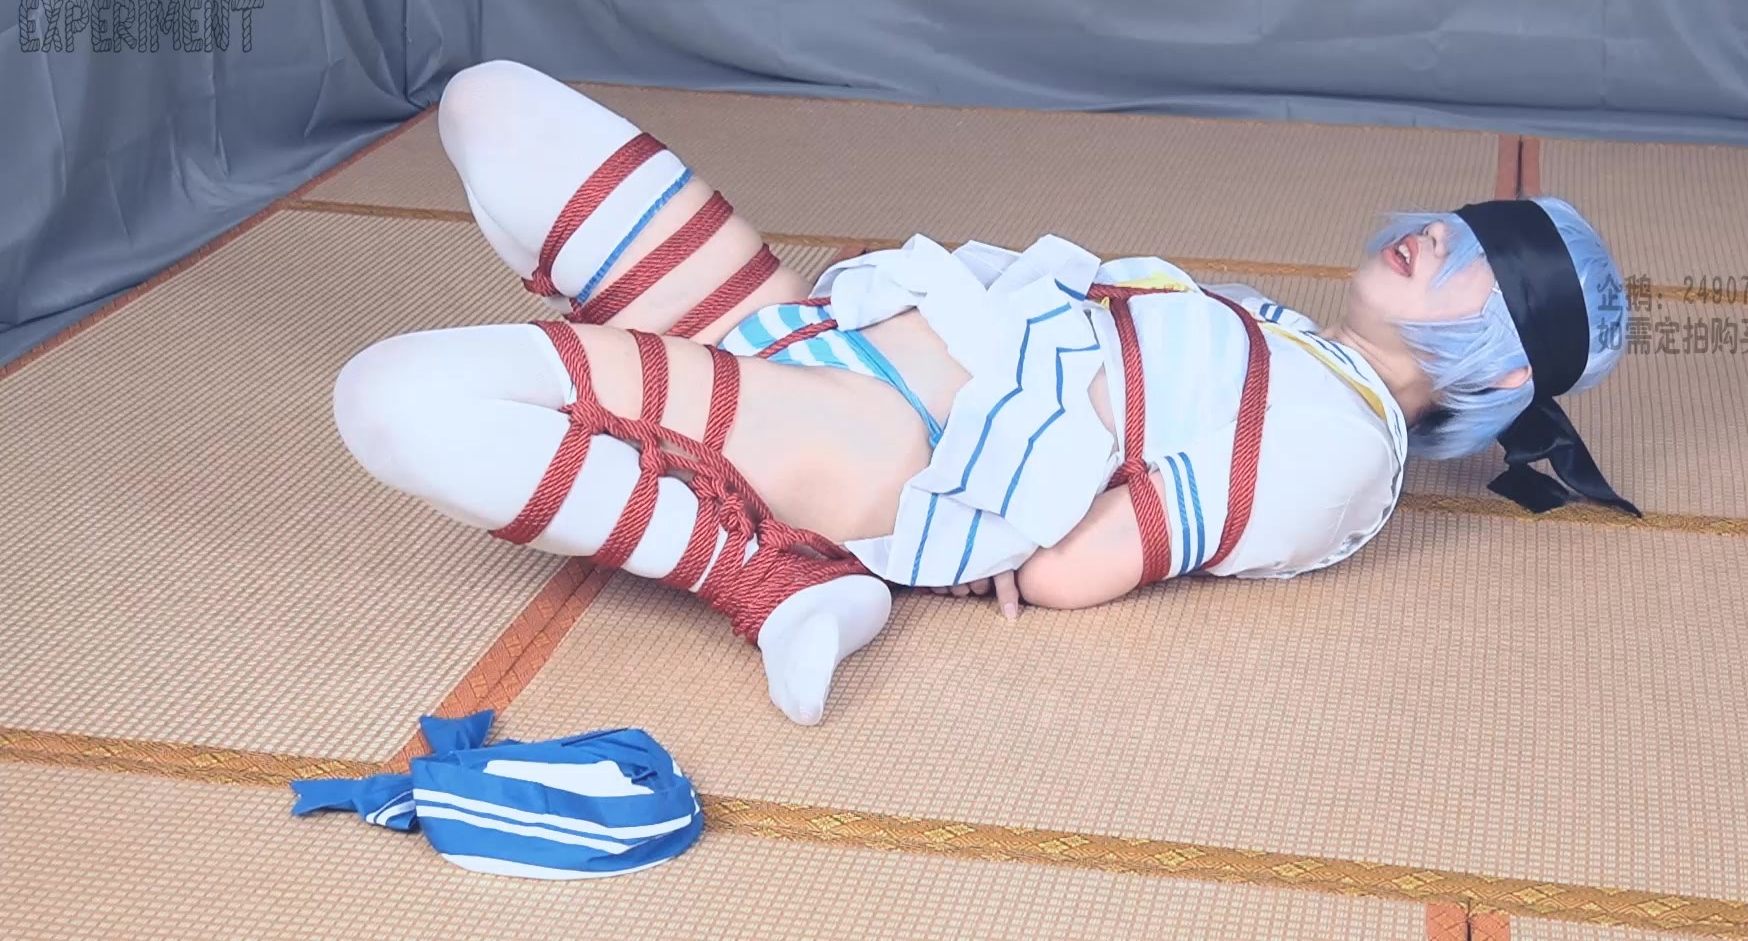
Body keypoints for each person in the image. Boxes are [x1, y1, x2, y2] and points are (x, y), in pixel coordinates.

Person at [331, 61, 1636, 727]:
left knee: (389, 398)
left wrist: (983, 530)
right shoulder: (1286, 335)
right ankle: (642, 409)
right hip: (802, 326)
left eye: (1486, 266)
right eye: (1469, 223)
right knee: (490, 104)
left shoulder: (1337, 458)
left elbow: (1078, 567)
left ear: (1500, 370)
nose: (1442, 236)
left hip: (866, 437)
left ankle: (767, 569)